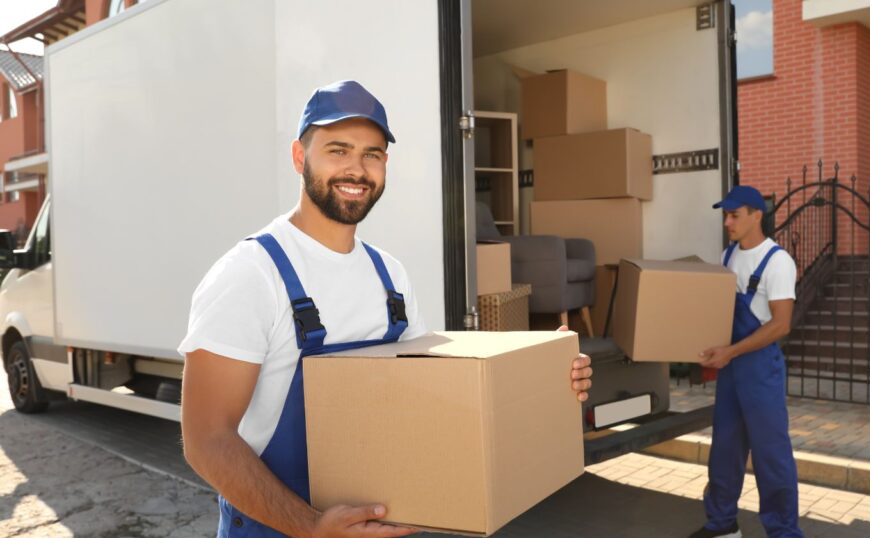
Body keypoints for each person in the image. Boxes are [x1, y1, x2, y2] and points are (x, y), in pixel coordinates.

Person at [179, 80, 593, 538]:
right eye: (338, 150)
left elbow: (430, 394)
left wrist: (543, 378)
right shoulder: (252, 274)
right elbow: (206, 440)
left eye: (371, 154)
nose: (357, 170)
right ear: (300, 157)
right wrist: (311, 526)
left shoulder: (389, 275)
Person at [688, 185, 803, 538]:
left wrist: (732, 352)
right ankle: (722, 525)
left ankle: (783, 532)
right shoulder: (727, 256)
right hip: (731, 368)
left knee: (771, 455)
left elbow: (781, 325)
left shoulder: (778, 261)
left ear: (757, 215)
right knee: (724, 448)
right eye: (725, 215)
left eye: (734, 215)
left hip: (760, 370)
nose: (727, 222)